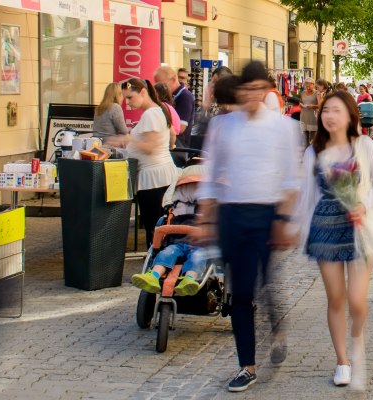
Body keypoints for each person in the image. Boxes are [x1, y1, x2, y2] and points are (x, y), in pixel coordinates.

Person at [195, 61, 305, 392]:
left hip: (267, 214)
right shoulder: (223, 126)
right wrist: (204, 218)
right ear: (241, 91)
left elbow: (290, 177)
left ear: (267, 90)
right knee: (240, 291)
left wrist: (284, 220)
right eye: (248, 89)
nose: (254, 95)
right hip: (232, 214)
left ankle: (277, 329)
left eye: (260, 89)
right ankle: (247, 365)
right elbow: (211, 173)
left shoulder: (283, 127)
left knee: (267, 283)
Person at [291, 90, 373, 390]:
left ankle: (357, 339)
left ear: (350, 115)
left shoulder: (365, 146)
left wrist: (363, 204)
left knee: (357, 301)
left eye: (336, 110)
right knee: (335, 298)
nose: (329, 116)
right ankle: (342, 361)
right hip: (325, 227)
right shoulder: (313, 152)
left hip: (359, 227)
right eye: (325, 111)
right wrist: (299, 229)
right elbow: (306, 195)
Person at [112, 78, 180, 244]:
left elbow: (151, 147)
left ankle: (156, 260)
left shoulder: (152, 113)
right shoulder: (156, 111)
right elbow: (169, 135)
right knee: (156, 224)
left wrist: (128, 139)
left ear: (143, 92)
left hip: (154, 178)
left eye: (130, 98)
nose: (127, 103)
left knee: (155, 225)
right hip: (155, 176)